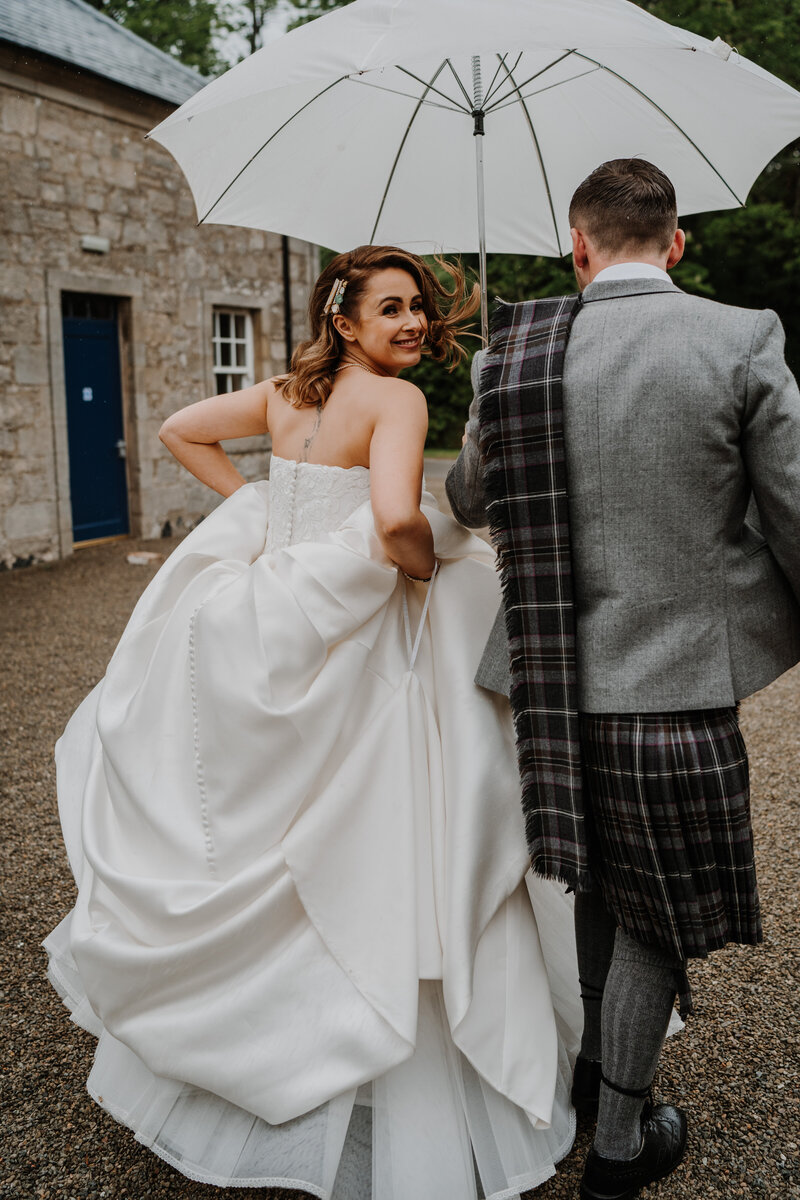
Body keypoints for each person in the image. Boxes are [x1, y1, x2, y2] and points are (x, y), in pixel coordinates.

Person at [44, 245, 583, 1198]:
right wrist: (432, 567)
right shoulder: (398, 403)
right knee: (382, 837)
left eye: (418, 307)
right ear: (344, 319)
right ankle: (385, 1055)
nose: (414, 322)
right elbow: (392, 521)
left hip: (269, 620)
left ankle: (254, 1056)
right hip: (363, 634)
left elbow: (178, 429)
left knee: (278, 836)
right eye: (392, 309)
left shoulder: (285, 394)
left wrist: (254, 505)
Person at [445, 158, 800, 1200]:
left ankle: (601, 1074)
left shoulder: (511, 350)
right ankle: (615, 1149)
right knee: (651, 915)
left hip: (548, 684)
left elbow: (468, 501)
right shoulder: (739, 338)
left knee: (601, 881)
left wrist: (486, 407)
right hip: (678, 678)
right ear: (675, 240)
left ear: (577, 244)